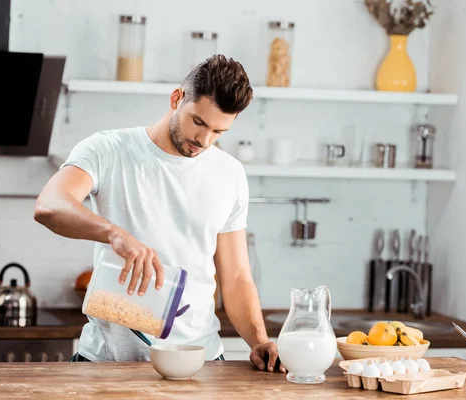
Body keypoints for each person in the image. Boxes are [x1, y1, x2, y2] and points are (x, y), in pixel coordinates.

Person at [34, 54, 285, 373]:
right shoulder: (108, 149)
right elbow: (49, 205)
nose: (204, 141)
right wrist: (114, 234)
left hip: (199, 360)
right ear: (177, 98)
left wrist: (258, 340)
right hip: (108, 362)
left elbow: (236, 277)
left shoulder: (230, 174)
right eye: (198, 122)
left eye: (218, 132)